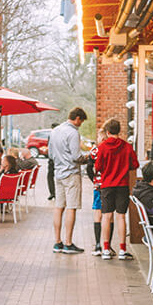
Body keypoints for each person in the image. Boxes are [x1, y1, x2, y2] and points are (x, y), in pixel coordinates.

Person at [94, 119, 139, 260]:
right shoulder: (127, 146)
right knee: (121, 216)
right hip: (122, 185)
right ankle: (122, 250)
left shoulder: (102, 147)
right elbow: (135, 164)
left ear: (107, 132)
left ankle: (106, 249)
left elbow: (98, 167)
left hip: (107, 185)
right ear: (119, 131)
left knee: (107, 216)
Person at [49, 108, 88, 254]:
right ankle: (68, 243)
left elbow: (51, 154)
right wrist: (87, 157)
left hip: (58, 173)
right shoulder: (73, 133)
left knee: (59, 207)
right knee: (71, 207)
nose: (80, 124)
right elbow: (76, 156)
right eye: (81, 121)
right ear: (77, 118)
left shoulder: (55, 131)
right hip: (71, 174)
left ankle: (57, 242)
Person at [87, 127, 104, 257]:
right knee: (109, 216)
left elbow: (88, 167)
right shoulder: (112, 149)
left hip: (98, 185)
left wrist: (93, 179)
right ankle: (107, 244)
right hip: (111, 185)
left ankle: (98, 244)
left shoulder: (95, 151)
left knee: (98, 213)